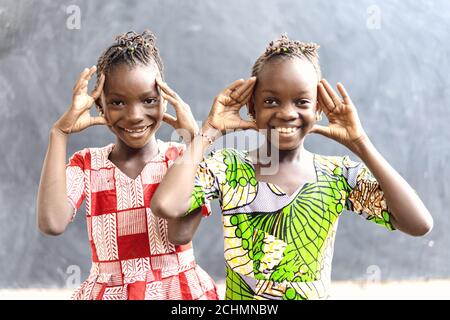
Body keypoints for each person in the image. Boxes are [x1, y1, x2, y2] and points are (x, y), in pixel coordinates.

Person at [150, 35, 433, 300]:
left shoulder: (337, 175)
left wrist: (360, 143)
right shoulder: (228, 167)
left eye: (302, 102)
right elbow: (166, 205)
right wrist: (209, 131)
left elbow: (418, 224)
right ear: (252, 108)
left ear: (318, 109)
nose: (286, 113)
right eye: (271, 101)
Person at [36, 30, 218, 300]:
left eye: (148, 100)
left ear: (165, 101)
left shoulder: (182, 159)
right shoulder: (87, 164)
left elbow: (180, 234)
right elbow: (52, 222)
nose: (134, 116)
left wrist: (194, 143)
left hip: (178, 294)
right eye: (118, 102)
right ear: (100, 106)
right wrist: (59, 133)